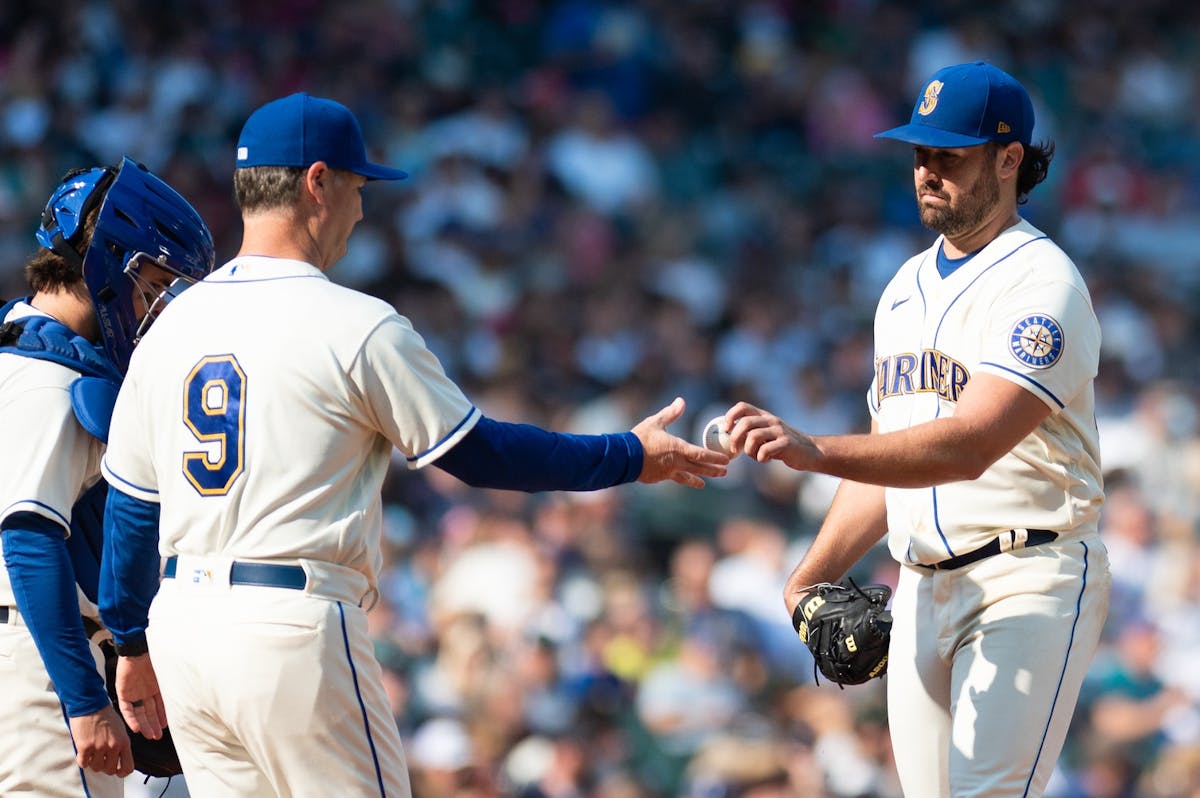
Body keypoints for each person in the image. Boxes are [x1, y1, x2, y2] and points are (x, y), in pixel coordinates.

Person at [98, 92, 728, 797]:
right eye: (357, 187)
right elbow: (478, 453)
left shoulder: (170, 330)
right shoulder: (354, 323)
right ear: (318, 182)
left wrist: (130, 644)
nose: (361, 210)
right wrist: (630, 454)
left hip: (184, 627)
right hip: (292, 621)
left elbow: (130, 511)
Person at [721, 62, 1112, 797]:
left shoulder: (1042, 283)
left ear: (1009, 159)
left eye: (950, 156)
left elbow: (969, 445)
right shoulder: (902, 288)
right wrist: (810, 575)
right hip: (920, 587)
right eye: (920, 154)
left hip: (1027, 577)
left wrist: (813, 451)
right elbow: (891, 460)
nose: (929, 171)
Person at [0, 158, 214, 796]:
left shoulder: (28, 353)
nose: (157, 303)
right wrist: (84, 702)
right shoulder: (42, 377)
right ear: (111, 264)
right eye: (155, 280)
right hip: (36, 665)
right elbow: (29, 542)